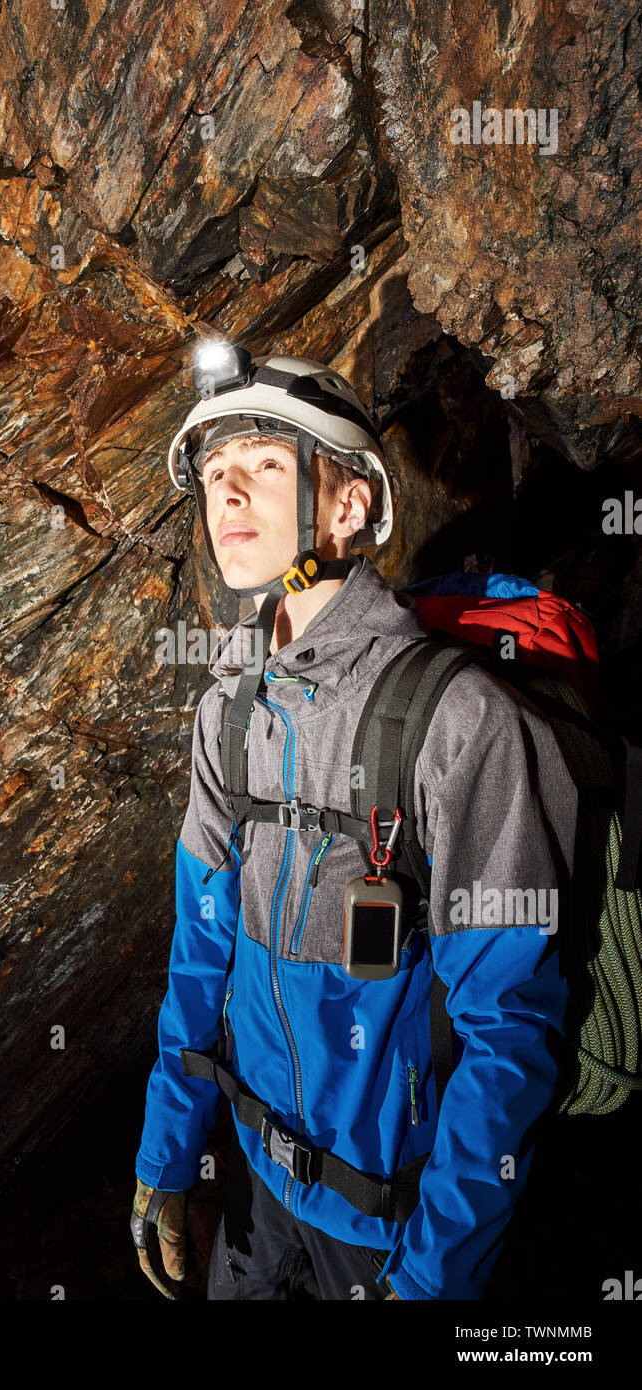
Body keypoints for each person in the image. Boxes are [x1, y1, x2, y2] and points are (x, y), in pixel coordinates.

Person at [131, 350, 577, 1300]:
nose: (227, 495)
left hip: (395, 1235)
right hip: (255, 1202)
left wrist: (432, 1281)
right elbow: (199, 953)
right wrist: (167, 1156)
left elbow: (508, 1035)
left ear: (346, 508)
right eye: (214, 476)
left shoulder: (459, 723)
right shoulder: (229, 714)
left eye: (260, 465)